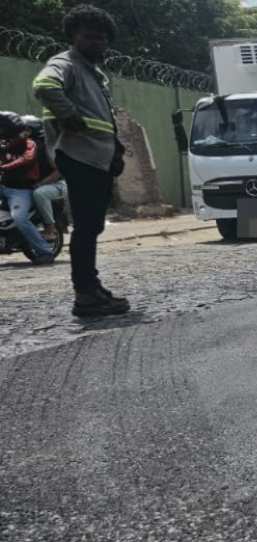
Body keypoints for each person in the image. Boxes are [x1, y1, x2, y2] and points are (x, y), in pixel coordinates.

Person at [33, 4, 130, 317]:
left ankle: (92, 287)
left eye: (102, 38)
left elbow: (102, 119)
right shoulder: (66, 63)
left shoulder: (93, 72)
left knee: (93, 226)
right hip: (80, 156)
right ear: (73, 36)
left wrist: (114, 150)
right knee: (87, 227)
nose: (97, 43)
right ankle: (85, 294)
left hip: (97, 157)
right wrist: (69, 116)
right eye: (89, 37)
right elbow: (44, 86)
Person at [0, 113, 55, 264]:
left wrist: (4, 167)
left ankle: (45, 251)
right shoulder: (5, 143)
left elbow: (27, 159)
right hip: (4, 186)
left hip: (20, 190)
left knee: (19, 218)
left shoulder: (30, 144)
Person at [23, 115, 67, 243]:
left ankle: (50, 229)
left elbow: (59, 171)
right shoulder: (24, 147)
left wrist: (41, 183)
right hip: (37, 184)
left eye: (25, 129)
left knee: (40, 193)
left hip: (59, 184)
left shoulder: (47, 148)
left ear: (32, 131)